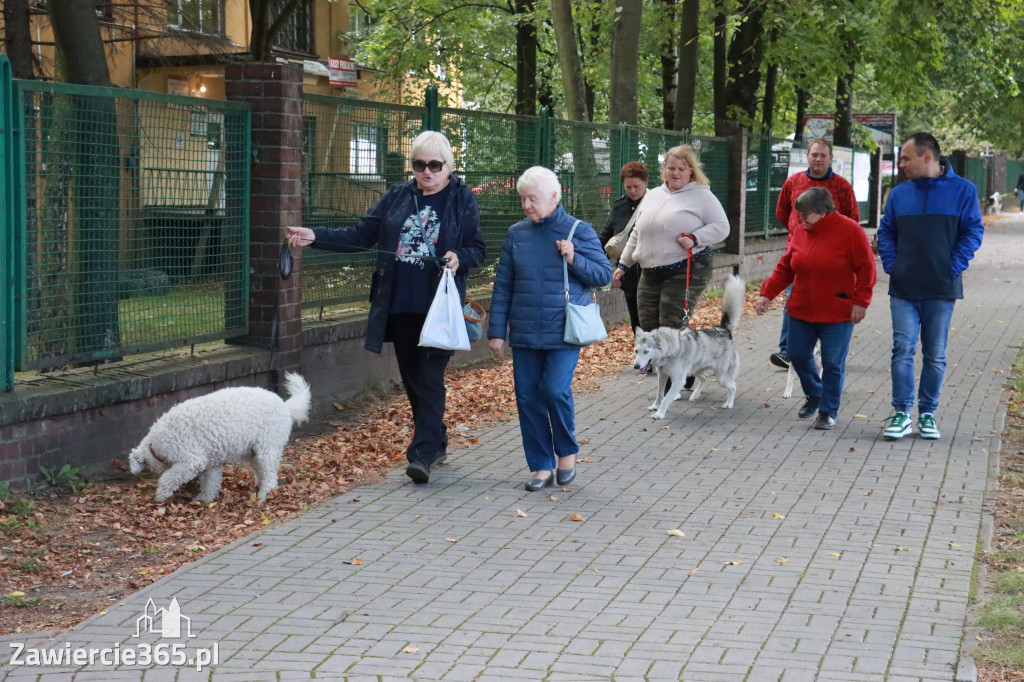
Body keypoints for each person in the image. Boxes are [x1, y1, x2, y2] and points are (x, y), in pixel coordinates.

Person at [286, 131, 485, 484]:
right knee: (412, 380)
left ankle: (421, 454)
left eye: (434, 165)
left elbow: (478, 249)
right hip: (400, 303)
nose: (426, 172)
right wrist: (315, 236)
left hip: (439, 305)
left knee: (430, 377)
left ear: (448, 167)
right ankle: (435, 440)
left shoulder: (462, 199)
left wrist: (459, 257)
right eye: (419, 165)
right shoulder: (397, 195)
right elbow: (362, 235)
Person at [487, 166, 612, 491]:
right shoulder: (517, 234)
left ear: (555, 197)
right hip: (526, 332)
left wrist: (574, 260)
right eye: (523, 199)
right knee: (528, 397)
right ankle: (541, 465)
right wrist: (497, 331)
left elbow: (604, 275)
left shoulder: (578, 231)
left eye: (533, 199)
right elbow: (503, 285)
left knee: (554, 390)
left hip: (563, 330)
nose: (527, 205)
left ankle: (566, 452)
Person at [877, 132, 984, 440]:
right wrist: (893, 266)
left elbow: (973, 231)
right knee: (903, 349)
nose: (900, 165)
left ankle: (927, 414)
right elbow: (886, 232)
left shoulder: (964, 191)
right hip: (903, 288)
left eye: (905, 158)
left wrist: (952, 267)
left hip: (942, 288)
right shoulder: (899, 194)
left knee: (935, 354)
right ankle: (901, 413)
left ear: (927, 157)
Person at [755, 187, 876, 431]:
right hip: (801, 308)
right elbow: (786, 267)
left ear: (822, 212)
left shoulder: (851, 231)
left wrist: (860, 302)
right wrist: (767, 294)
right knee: (797, 354)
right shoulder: (801, 231)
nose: (801, 219)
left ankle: (827, 411)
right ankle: (814, 393)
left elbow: (867, 269)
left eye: (805, 214)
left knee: (832, 363)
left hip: (838, 311)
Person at [613, 145, 729, 331]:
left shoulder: (702, 195)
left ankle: (672, 360)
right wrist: (623, 264)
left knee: (670, 329)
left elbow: (722, 227)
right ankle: (656, 361)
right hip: (650, 271)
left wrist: (695, 237)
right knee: (648, 328)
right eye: (671, 168)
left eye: (680, 169)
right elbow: (638, 232)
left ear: (690, 170)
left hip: (684, 269)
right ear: (664, 169)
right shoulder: (654, 195)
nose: (675, 173)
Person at [770, 138, 861, 369]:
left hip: (832, 258)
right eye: (814, 155)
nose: (818, 159)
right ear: (807, 157)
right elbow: (783, 211)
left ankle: (828, 349)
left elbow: (853, 217)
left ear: (830, 158)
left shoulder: (842, 186)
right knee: (792, 298)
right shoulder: (793, 182)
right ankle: (787, 350)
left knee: (829, 302)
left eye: (822, 155)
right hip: (798, 251)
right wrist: (798, 231)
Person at [600, 161, 649, 334]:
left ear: (646, 183)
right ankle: (643, 358)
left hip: (651, 273)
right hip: (628, 275)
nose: (632, 191)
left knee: (651, 319)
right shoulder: (618, 206)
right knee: (636, 320)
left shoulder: (654, 204)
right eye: (628, 187)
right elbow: (606, 236)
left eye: (636, 186)